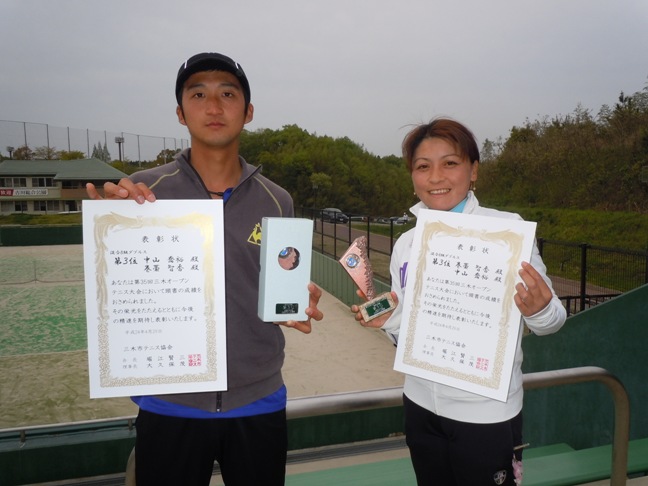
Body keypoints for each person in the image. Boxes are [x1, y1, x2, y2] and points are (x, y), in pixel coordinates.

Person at [87, 52, 323, 486]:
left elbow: (276, 284)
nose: (214, 106)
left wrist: (295, 301)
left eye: (227, 94)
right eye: (198, 95)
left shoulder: (278, 200)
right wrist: (111, 223)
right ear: (180, 113)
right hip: (170, 403)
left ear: (248, 112)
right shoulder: (143, 193)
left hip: (259, 400)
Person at [350, 118, 566, 486]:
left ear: (473, 170)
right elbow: (407, 335)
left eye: (450, 163)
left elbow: (553, 321)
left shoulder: (508, 231)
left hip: (487, 414)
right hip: (419, 406)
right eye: (423, 166)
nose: (436, 177)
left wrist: (541, 309)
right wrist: (389, 320)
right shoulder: (406, 243)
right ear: (412, 176)